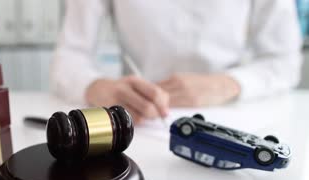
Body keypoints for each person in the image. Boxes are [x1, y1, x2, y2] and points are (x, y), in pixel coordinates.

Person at [50, 1, 303, 124]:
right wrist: (99, 87)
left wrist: (228, 84)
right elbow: (69, 57)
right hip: (139, 120)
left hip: (234, 116)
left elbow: (285, 60)